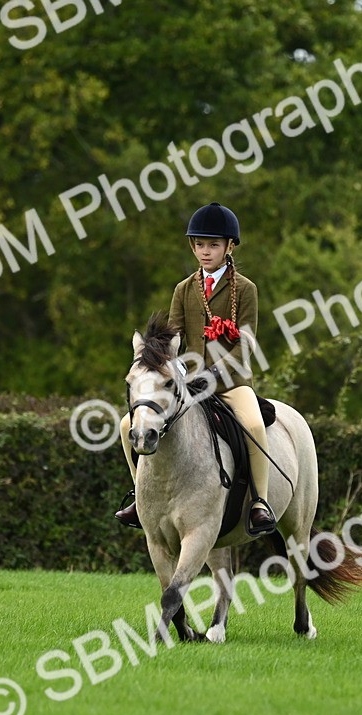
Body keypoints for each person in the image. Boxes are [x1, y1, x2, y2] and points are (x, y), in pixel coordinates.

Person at [115, 202, 276, 536]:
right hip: (188, 384)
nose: (206, 251)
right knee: (127, 424)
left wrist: (215, 375)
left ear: (229, 247)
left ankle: (260, 502)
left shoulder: (245, 290)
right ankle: (140, 497)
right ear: (193, 246)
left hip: (231, 382)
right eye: (200, 244)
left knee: (254, 426)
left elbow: (245, 344)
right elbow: (171, 339)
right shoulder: (184, 289)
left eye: (213, 245)